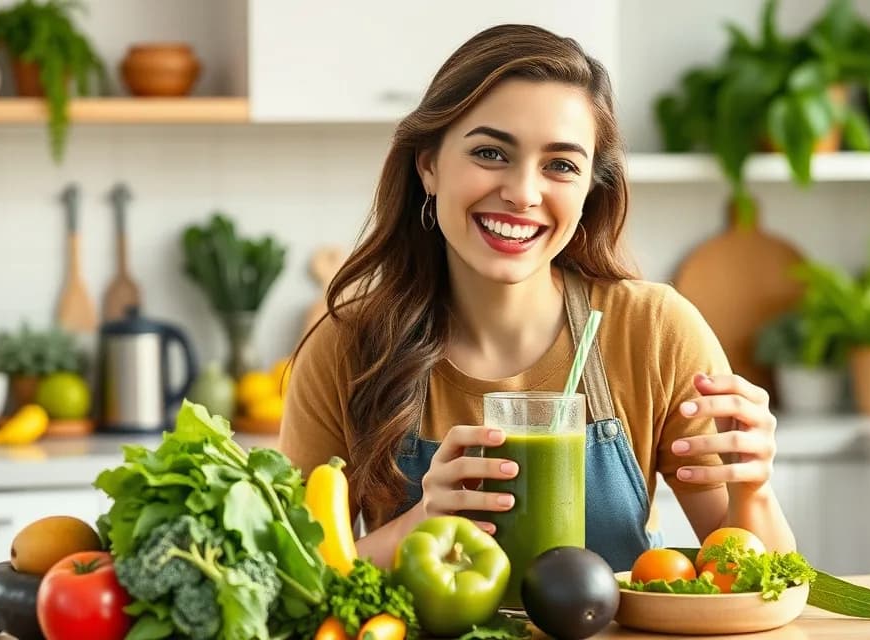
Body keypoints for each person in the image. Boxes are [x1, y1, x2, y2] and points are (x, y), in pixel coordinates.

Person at [279, 23, 795, 570]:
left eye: (561, 165)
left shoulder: (653, 331)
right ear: (428, 164)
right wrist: (414, 528)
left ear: (590, 189)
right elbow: (291, 581)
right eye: (490, 153)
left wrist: (753, 490)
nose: (523, 193)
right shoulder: (348, 348)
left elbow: (755, 583)